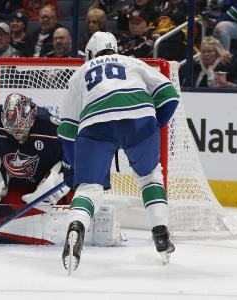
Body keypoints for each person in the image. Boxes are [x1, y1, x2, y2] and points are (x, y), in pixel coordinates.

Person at [57, 31, 179, 271]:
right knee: (149, 177)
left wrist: (74, 165)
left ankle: (76, 227)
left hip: (96, 124)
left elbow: (67, 129)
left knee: (89, 188)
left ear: (90, 53)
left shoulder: (81, 72)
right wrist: (153, 125)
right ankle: (160, 231)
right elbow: (169, 96)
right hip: (140, 117)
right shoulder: (133, 62)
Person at [0, 93, 74, 245]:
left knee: (49, 200)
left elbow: (73, 160)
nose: (16, 134)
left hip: (44, 184)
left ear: (30, 117)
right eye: (11, 130)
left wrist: (58, 180)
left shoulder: (52, 127)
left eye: (19, 128)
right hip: (19, 186)